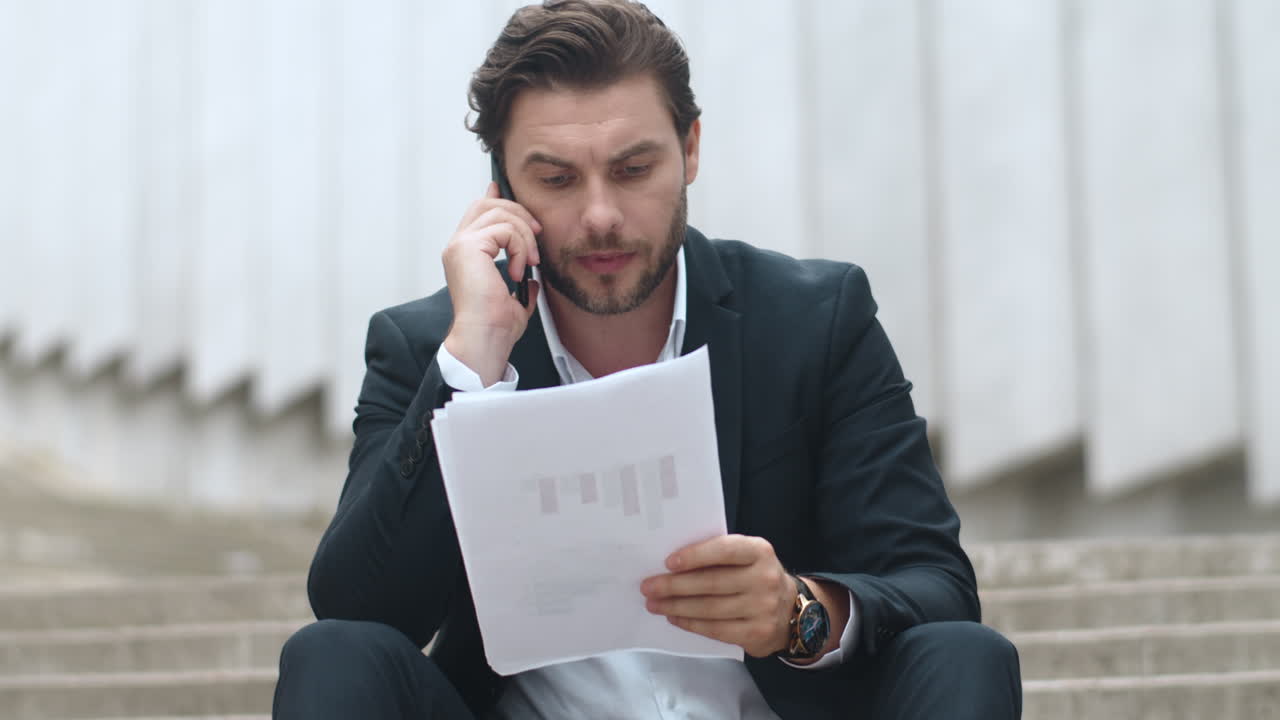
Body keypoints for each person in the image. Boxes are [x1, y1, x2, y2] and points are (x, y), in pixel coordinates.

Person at [273, 1, 1021, 718]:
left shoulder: (816, 320)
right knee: (333, 656)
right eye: (558, 179)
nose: (600, 214)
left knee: (966, 655)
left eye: (633, 170)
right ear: (501, 188)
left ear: (690, 149)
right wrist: (472, 365)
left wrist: (797, 613)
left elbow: (937, 587)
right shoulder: (430, 348)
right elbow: (356, 612)